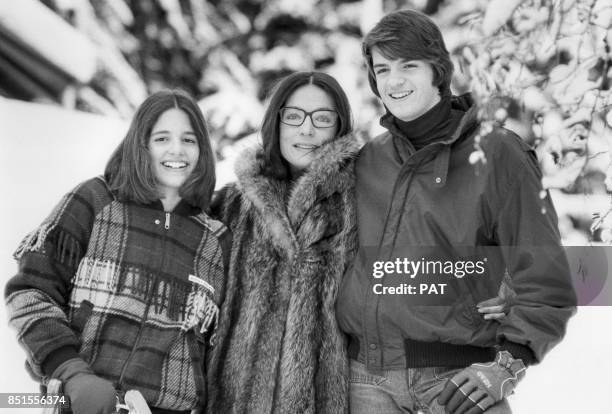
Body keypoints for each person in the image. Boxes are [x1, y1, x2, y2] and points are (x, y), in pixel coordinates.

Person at [335, 9, 577, 414]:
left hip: (457, 383)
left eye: (408, 65)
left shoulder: (498, 154)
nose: (393, 80)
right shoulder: (367, 160)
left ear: (439, 71)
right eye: (382, 68)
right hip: (364, 383)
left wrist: (506, 365)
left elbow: (546, 276)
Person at [5, 90, 230, 414]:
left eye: (189, 140)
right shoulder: (94, 201)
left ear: (203, 151)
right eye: (162, 138)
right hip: (82, 404)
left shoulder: (215, 238)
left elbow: (212, 347)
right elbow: (30, 292)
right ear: (141, 145)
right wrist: (70, 371)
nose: (177, 150)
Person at [207, 71, 360, 414]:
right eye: (294, 116)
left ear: (340, 127)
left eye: (322, 118)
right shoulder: (230, 205)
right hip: (233, 404)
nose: (307, 129)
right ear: (276, 122)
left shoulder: (360, 206)